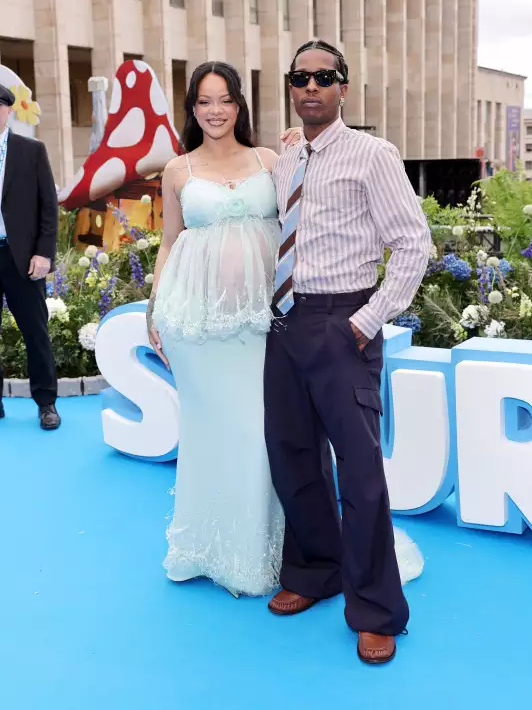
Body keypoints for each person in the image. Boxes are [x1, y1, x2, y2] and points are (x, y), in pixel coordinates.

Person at [264, 40, 431, 664]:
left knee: (359, 473)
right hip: (284, 323)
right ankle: (316, 571)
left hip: (343, 323)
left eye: (324, 77)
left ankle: (376, 609)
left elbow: (413, 243)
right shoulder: (287, 157)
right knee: (293, 457)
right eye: (300, 77)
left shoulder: (373, 155)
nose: (311, 87)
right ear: (291, 87)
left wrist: (367, 320)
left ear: (343, 86)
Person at [148, 62, 285, 596]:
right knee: (210, 434)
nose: (215, 110)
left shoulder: (269, 160)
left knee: (260, 434)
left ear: (239, 105)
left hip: (262, 322)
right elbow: (169, 242)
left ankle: (262, 550)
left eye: (225, 99)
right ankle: (208, 550)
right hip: (196, 326)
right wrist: (153, 308)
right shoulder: (177, 170)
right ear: (192, 109)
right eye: (204, 101)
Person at [0, 81, 60, 431]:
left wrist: (44, 253)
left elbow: (48, 207)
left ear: (9, 111)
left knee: (35, 332)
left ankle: (46, 403)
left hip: (22, 258)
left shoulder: (31, 151)